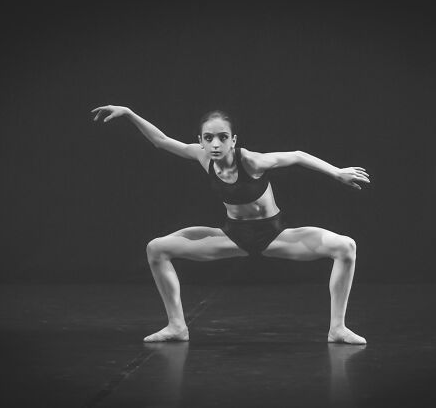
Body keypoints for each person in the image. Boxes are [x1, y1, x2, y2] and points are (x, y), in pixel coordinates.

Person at [91, 105, 371, 344]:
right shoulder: (203, 156)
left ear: (233, 140)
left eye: (222, 137)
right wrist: (129, 113)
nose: (215, 144)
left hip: (274, 234)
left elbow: (297, 155)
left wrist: (337, 172)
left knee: (346, 247)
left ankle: (338, 328)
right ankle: (177, 326)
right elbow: (161, 141)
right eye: (209, 138)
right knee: (156, 249)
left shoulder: (251, 161)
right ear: (200, 141)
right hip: (233, 235)